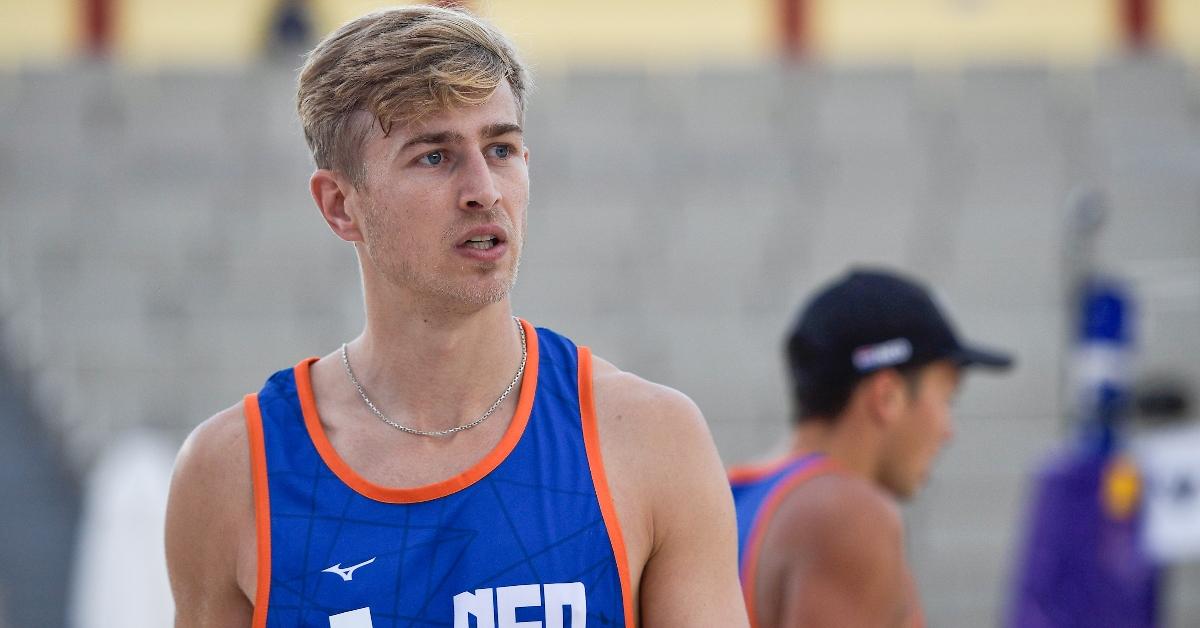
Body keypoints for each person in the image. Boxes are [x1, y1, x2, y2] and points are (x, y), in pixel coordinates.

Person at [164, 6, 747, 627]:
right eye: (434, 157)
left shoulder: (650, 438)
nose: (484, 189)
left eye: (501, 148)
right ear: (340, 205)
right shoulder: (232, 472)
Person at [729, 268, 1013, 628]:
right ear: (887, 396)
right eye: (947, 398)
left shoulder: (727, 496)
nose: (948, 431)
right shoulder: (848, 516)